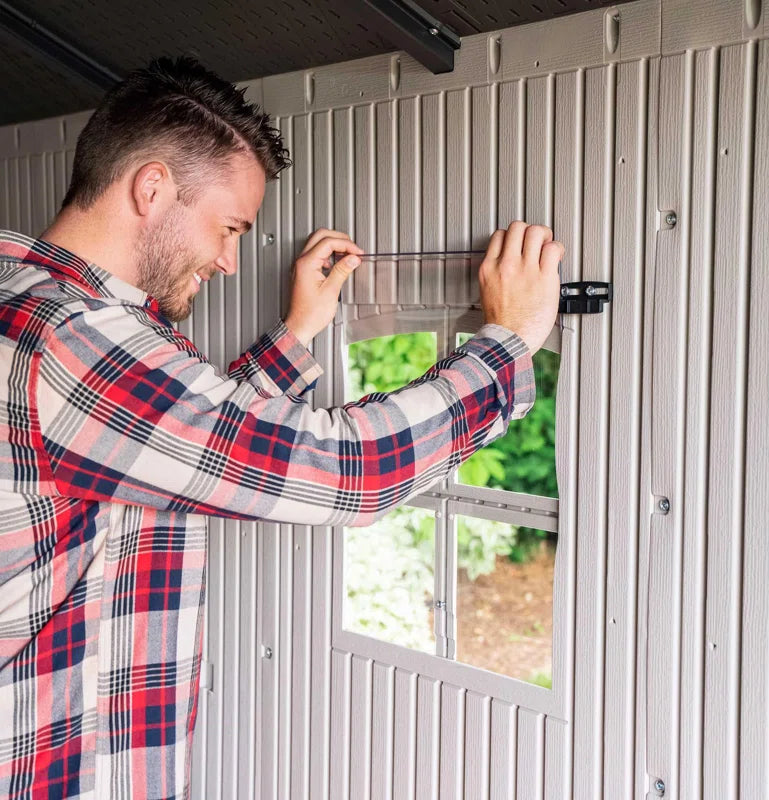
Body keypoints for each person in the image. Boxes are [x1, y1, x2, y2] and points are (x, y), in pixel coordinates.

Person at [0, 56, 562, 798]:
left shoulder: (28, 299)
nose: (232, 260)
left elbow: (161, 449)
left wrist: (297, 335)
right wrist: (505, 345)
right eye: (229, 227)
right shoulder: (79, 342)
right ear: (152, 187)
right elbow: (345, 473)